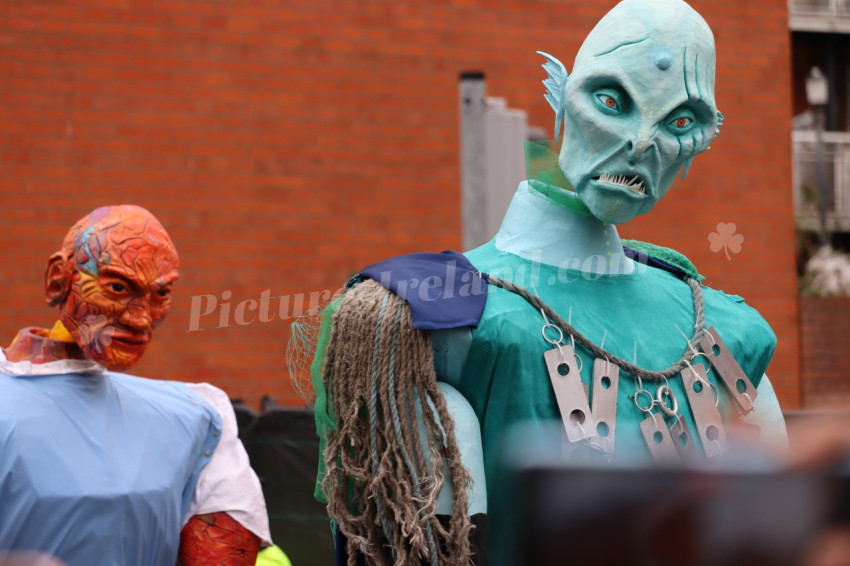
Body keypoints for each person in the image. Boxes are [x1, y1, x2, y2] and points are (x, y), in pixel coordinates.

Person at [309, 0, 788, 563]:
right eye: (611, 101)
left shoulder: (724, 328)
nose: (640, 142)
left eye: (680, 122)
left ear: (702, 140)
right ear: (562, 96)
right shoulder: (437, 315)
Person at [0, 205, 272, 565]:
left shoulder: (197, 418)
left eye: (160, 295)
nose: (141, 319)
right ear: (58, 278)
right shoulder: (194, 418)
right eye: (117, 287)